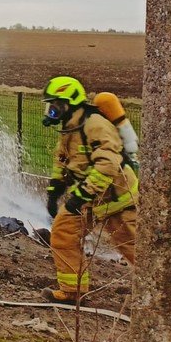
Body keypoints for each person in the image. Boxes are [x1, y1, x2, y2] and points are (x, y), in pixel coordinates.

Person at [40, 76, 137, 303]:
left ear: (68, 102)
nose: (50, 110)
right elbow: (63, 159)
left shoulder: (95, 124)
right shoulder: (70, 127)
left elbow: (108, 164)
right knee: (62, 235)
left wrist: (81, 195)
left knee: (134, 248)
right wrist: (55, 189)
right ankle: (72, 292)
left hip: (119, 199)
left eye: (53, 104)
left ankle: (166, 295)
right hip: (91, 198)